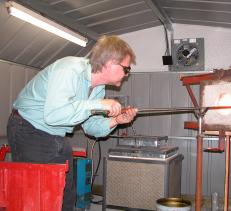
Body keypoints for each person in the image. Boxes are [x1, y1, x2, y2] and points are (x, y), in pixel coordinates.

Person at [7, 35, 137, 211]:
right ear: (111, 62)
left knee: (65, 195)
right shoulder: (70, 69)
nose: (127, 74)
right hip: (28, 129)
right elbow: (54, 115)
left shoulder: (98, 88)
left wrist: (116, 120)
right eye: (126, 69)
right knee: (39, 199)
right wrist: (98, 104)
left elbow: (90, 126)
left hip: (54, 135)